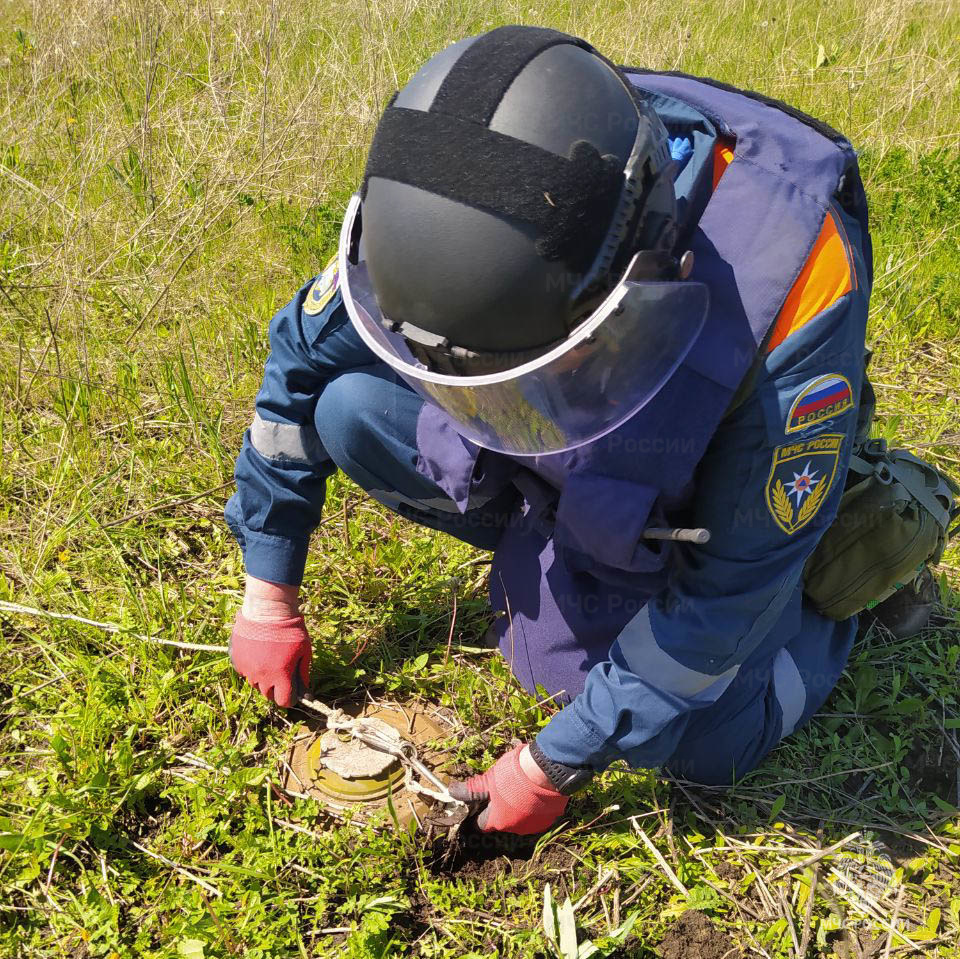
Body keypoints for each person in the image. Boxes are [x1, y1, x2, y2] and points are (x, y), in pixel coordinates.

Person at [224, 25, 933, 836]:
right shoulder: (443, 195)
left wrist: (552, 764)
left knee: (705, 742)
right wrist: (268, 592)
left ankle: (842, 610)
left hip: (709, 490)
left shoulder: (796, 282)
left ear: (639, 287)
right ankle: (584, 548)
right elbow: (300, 367)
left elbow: (725, 595)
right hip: (591, 457)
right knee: (349, 414)